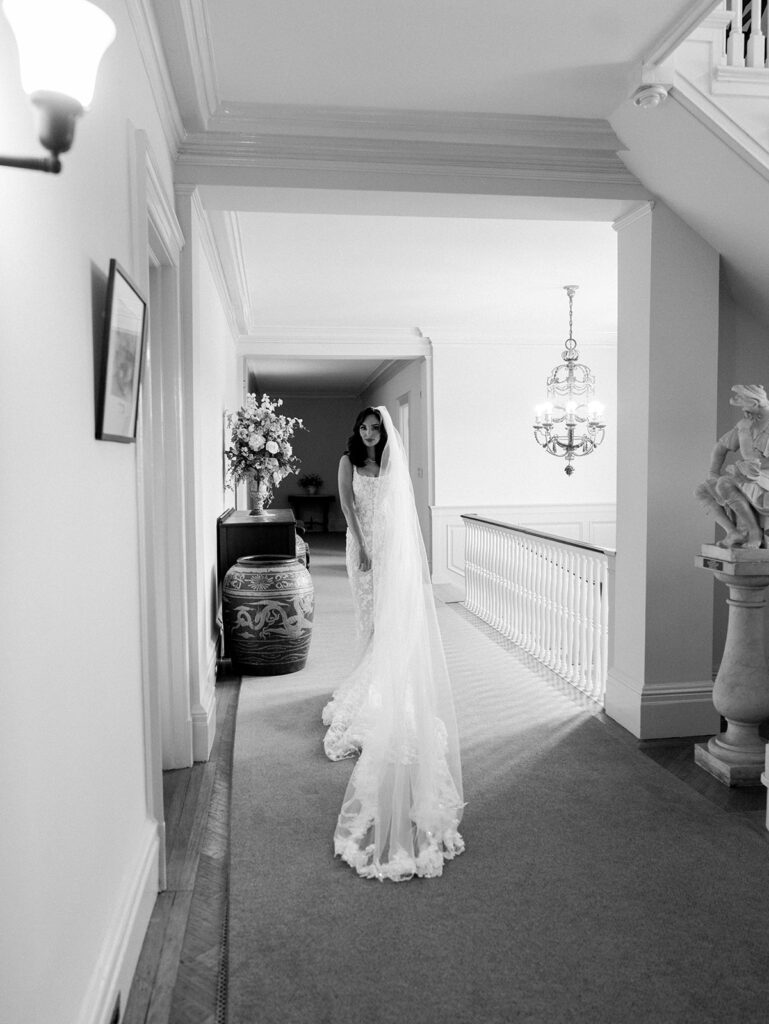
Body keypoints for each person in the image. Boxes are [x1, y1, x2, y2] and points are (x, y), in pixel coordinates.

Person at [321, 406, 465, 881]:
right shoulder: (349, 463)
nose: (368, 433)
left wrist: (395, 551)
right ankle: (369, 684)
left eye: (375, 428)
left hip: (391, 548)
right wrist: (361, 544)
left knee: (390, 623)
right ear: (356, 430)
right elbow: (346, 506)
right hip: (361, 545)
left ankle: (383, 687)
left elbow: (400, 508)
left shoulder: (390, 464)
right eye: (363, 426)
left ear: (384, 433)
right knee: (368, 620)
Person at [696, 384, 769, 548]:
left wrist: (755, 465)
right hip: (750, 475)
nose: (743, 410)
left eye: (743, 405)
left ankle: (754, 533)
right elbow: (720, 448)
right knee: (703, 490)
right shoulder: (747, 424)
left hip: (766, 478)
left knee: (725, 483)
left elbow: (755, 459)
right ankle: (734, 532)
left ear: (755, 404)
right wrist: (712, 472)